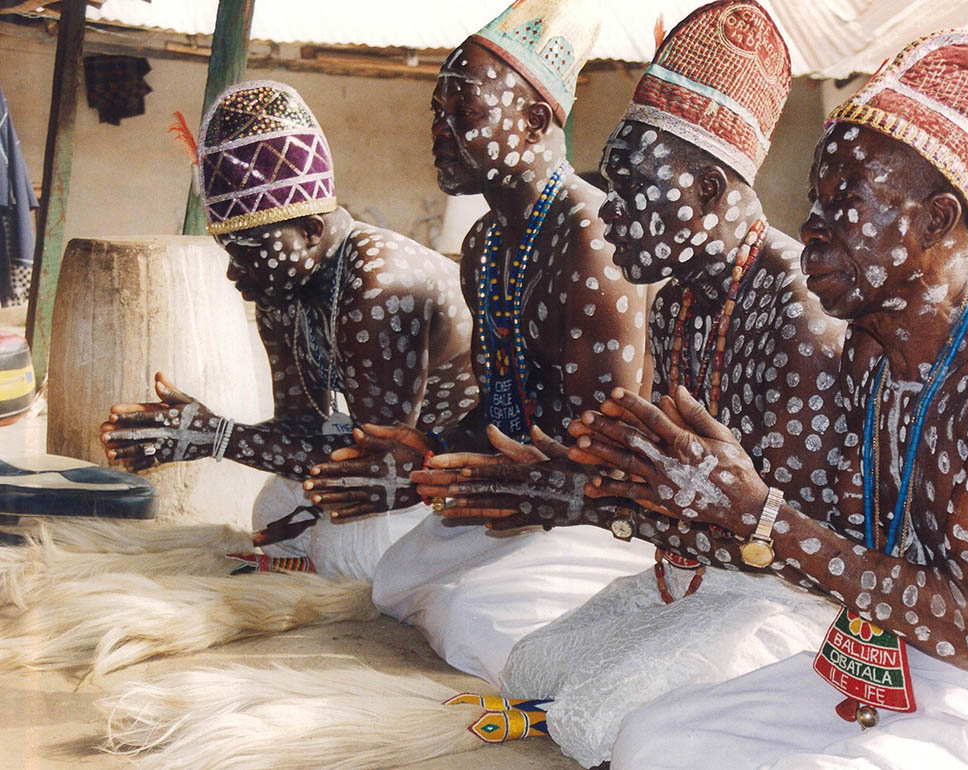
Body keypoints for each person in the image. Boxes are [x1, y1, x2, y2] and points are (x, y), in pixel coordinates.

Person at [558, 30, 968, 770]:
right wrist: (659, 498)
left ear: (936, 221)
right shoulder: (870, 342)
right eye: (813, 205)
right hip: (900, 659)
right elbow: (846, 544)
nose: (811, 233)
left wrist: (757, 511)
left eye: (843, 205)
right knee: (652, 740)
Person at [411, 3, 847, 765]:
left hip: (788, 600)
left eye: (630, 188)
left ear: (711, 191)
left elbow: (783, 549)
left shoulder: (798, 310)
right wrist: (571, 488)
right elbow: (658, 486)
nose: (611, 213)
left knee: (607, 720)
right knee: (531, 669)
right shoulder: (679, 299)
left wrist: (584, 502)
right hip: (695, 575)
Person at [302, 0, 656, 686]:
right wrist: (427, 451)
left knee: (475, 617)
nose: (438, 130)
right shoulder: (486, 245)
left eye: (460, 110)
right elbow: (502, 411)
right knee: (389, 571)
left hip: (605, 512)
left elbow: (607, 457)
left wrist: (461, 476)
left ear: (532, 119)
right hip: (525, 494)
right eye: (436, 111)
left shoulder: (591, 237)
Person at [99, 80, 477, 579]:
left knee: (354, 548)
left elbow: (378, 463)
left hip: (440, 471)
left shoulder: (378, 280)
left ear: (312, 232)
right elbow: (299, 427)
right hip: (383, 468)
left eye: (249, 254)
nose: (236, 274)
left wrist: (216, 437)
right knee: (275, 506)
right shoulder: (284, 282)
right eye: (230, 255)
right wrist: (206, 428)